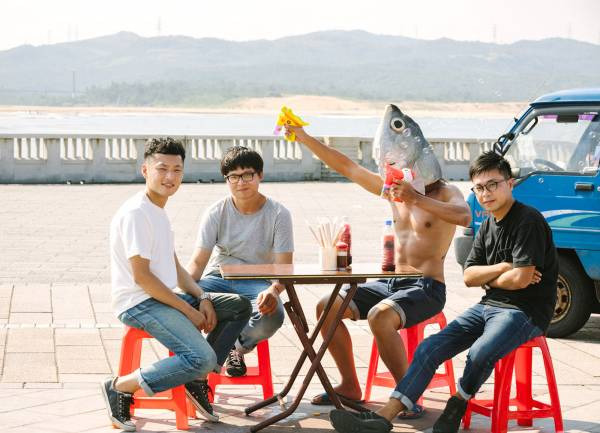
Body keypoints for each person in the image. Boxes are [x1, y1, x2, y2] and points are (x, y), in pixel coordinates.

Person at [329, 151, 558, 433]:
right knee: (429, 348)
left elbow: (521, 280)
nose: (485, 193)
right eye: (479, 188)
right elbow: (469, 276)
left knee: (480, 352)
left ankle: (457, 403)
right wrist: (503, 267)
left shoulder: (528, 220)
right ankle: (383, 418)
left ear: (510, 184)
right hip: (489, 305)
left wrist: (494, 277)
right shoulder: (488, 224)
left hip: (525, 312)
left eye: (493, 185)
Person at [287, 107, 471, 417]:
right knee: (326, 306)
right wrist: (304, 137)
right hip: (390, 282)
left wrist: (417, 198)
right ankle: (349, 385)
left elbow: (465, 216)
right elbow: (348, 167)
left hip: (427, 286)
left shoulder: (445, 192)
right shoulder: (392, 191)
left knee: (380, 316)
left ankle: (407, 396)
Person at [101, 137, 252, 431]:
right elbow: (142, 277)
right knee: (201, 357)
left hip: (160, 298)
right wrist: (189, 310)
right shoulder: (136, 213)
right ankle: (120, 386)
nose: (170, 177)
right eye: (162, 169)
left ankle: (195, 378)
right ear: (145, 170)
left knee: (238, 306)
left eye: (177, 170)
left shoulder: (157, 211)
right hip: (138, 303)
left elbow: (174, 267)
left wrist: (203, 296)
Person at [187, 146, 293, 377]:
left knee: (273, 315)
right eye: (233, 177)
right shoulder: (216, 212)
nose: (241, 182)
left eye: (247, 175)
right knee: (181, 302)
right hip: (217, 278)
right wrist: (186, 291)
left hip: (257, 283)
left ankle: (233, 347)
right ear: (226, 179)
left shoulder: (279, 214)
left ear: (260, 175)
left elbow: (284, 268)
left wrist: (274, 290)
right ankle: (195, 361)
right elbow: (198, 262)